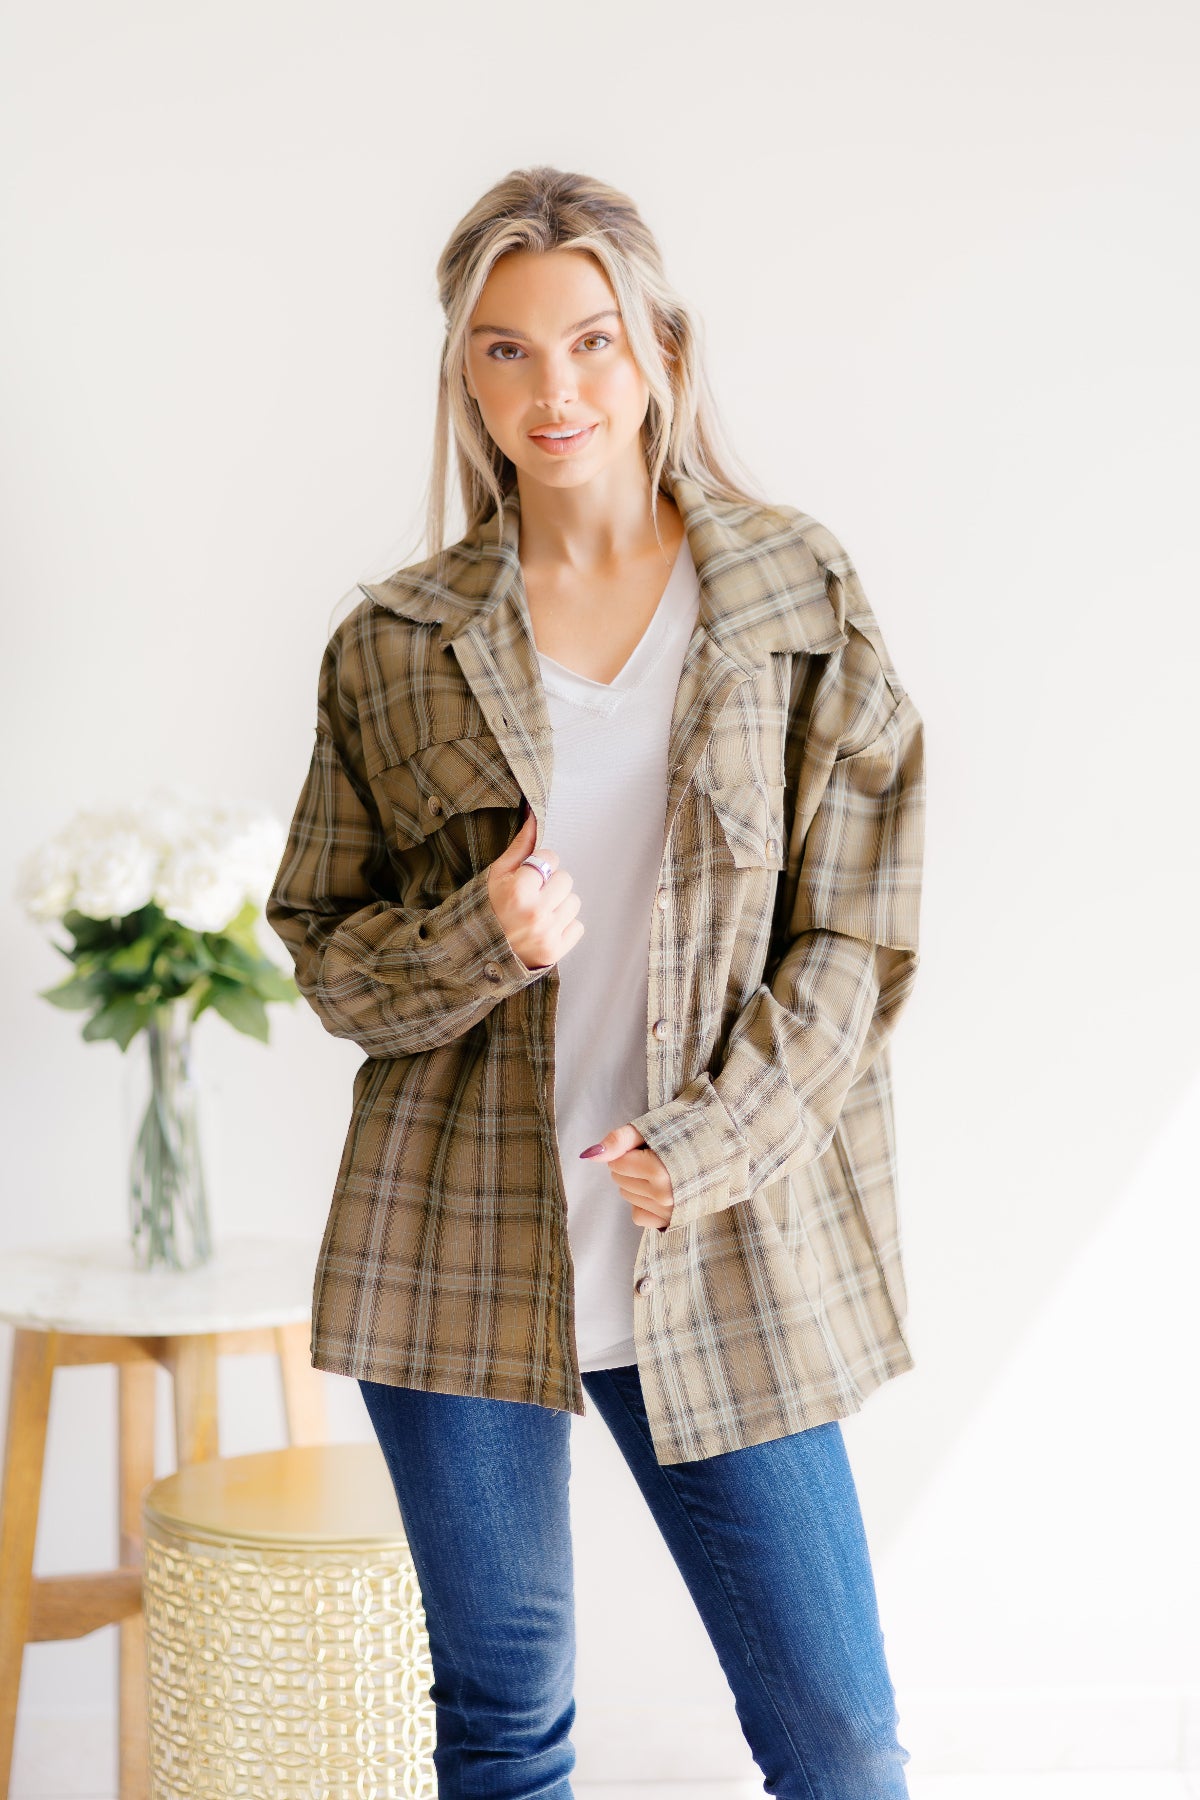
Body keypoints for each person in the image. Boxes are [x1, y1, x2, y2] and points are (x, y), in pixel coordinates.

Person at [267, 165, 926, 1800]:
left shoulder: (793, 594)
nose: (550, 391)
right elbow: (328, 952)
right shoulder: (395, 644)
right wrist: (478, 938)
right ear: (460, 377)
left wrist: (710, 1143)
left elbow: (860, 931)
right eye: (502, 352)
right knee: (503, 1727)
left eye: (589, 341)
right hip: (457, 1247)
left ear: (660, 353)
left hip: (726, 1239)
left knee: (837, 1741)